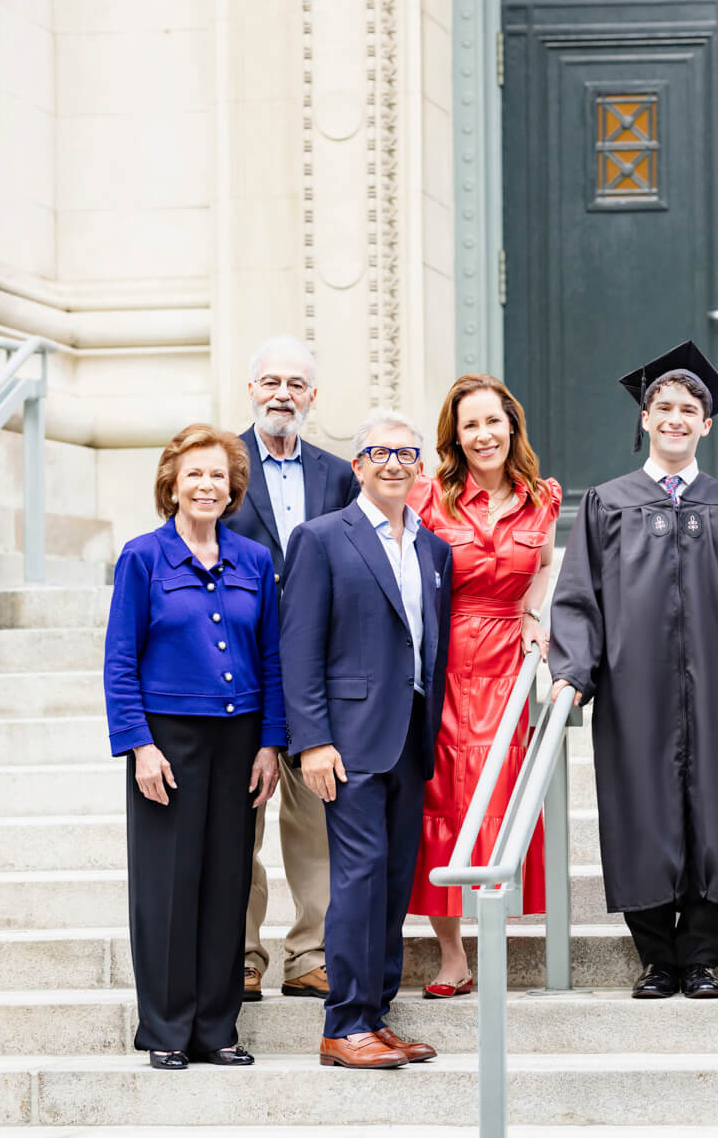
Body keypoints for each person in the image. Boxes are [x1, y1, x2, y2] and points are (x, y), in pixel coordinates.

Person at [548, 341, 718, 1001]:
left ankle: (702, 956)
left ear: (707, 422)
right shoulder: (608, 503)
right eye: (662, 406)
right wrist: (573, 668)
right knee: (641, 806)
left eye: (688, 408)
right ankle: (656, 957)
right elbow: (577, 594)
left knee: (716, 807)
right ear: (644, 418)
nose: (675, 417)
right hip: (634, 686)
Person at [103, 423, 285, 1069]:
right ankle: (167, 1028)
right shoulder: (143, 557)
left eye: (217, 474)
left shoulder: (254, 561)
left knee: (226, 882)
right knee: (167, 886)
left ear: (233, 487)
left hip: (240, 741)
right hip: (168, 743)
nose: (206, 484)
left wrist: (271, 743)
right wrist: (138, 745)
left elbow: (271, 656)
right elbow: (120, 660)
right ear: (172, 485)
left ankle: (217, 1027)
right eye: (194, 474)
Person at [280, 410, 452, 1068]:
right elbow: (300, 648)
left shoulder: (433, 550)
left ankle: (375, 1016)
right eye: (379, 452)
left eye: (406, 453)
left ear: (420, 467)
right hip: (346, 742)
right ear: (357, 465)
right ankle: (342, 1023)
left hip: (409, 737)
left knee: (391, 879)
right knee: (356, 876)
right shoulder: (322, 538)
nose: (393, 463)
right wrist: (312, 740)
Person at [404, 374, 560, 997]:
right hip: (442, 661)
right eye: (470, 424)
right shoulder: (427, 497)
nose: (483, 434)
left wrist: (531, 612)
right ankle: (452, 955)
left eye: (493, 421)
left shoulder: (543, 498)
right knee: (439, 799)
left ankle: (493, 933)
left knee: (498, 796)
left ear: (511, 426)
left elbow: (544, 564)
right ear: (455, 436)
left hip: (505, 663)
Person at [222, 334, 359, 1004]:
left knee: (314, 821)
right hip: (237, 673)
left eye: (296, 383)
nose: (283, 393)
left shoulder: (338, 474)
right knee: (238, 821)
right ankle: (241, 954)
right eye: (270, 381)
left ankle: (309, 954)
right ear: (251, 390)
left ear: (313, 396)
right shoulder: (220, 464)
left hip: (316, 674)